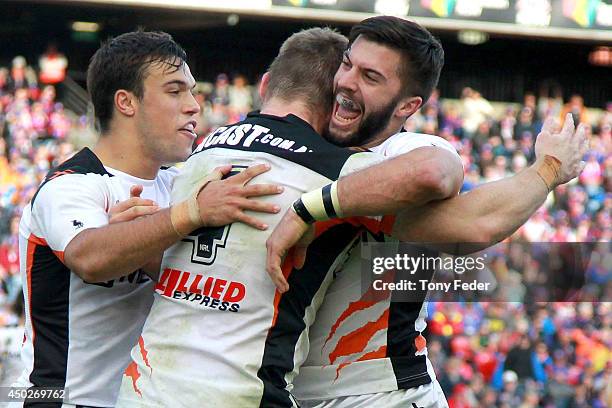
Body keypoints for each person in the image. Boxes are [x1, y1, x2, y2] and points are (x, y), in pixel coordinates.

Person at [115, 26, 465, 408]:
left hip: (142, 389)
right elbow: (470, 220)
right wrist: (541, 172)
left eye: (368, 76)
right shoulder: (347, 170)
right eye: (348, 67)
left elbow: (173, 270)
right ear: (333, 99)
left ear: (265, 85)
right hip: (252, 394)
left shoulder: (201, 153)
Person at [264, 16, 587, 408]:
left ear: (408, 105)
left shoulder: (404, 155)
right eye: (347, 64)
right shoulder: (305, 149)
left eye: (370, 76)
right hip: (296, 391)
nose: (346, 82)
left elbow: (472, 220)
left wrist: (548, 170)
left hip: (383, 394)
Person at [12, 31, 281, 408]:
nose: (193, 106)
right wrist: (189, 215)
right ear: (126, 102)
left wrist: (148, 240)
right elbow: (89, 257)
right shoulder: (71, 186)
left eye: (192, 91)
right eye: (175, 91)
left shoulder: (183, 183)